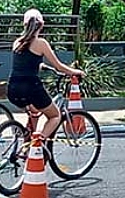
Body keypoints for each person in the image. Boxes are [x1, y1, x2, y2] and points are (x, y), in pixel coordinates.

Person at [7, 9, 85, 139]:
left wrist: (40, 65)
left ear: (24, 25)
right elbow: (59, 66)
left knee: (35, 110)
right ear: (41, 25)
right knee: (55, 116)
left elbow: (25, 62)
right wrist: (75, 72)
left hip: (13, 88)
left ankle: (27, 139)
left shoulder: (17, 42)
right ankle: (36, 144)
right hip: (30, 87)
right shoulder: (41, 43)